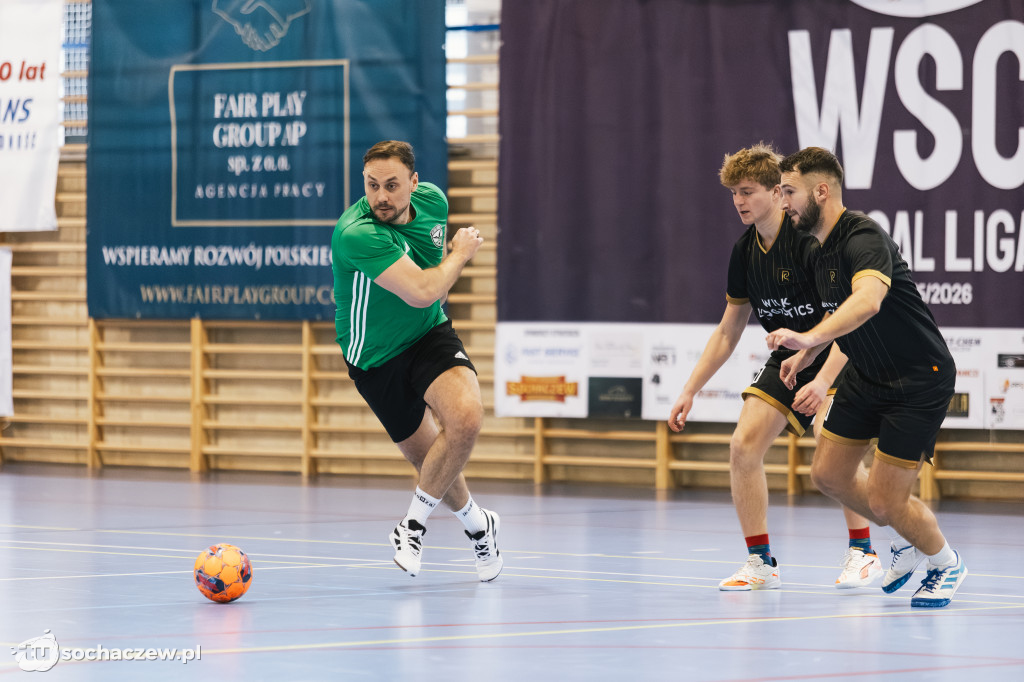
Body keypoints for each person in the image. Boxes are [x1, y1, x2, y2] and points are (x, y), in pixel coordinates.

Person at [668, 143, 881, 592]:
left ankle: (865, 552)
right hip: (790, 359)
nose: (739, 201)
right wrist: (690, 389)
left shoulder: (808, 240)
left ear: (776, 192)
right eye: (732, 193)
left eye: (747, 190)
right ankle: (760, 561)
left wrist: (823, 381)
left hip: (839, 352)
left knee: (831, 445)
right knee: (743, 446)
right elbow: (728, 331)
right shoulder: (744, 251)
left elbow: (850, 318)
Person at [768, 146, 966, 607]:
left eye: (790, 192)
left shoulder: (864, 236)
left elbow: (868, 302)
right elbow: (841, 316)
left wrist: (805, 336)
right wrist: (809, 353)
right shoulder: (818, 253)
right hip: (867, 375)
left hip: (918, 379)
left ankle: (944, 560)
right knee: (828, 474)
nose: (784, 203)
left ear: (822, 190)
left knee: (883, 500)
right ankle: (906, 533)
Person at [330, 140, 502, 581]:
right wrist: (461, 253)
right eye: (371, 186)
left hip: (428, 334)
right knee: (434, 462)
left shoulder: (433, 203)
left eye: (391, 185)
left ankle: (411, 527)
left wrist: (446, 265)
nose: (381, 197)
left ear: (413, 184)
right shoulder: (357, 233)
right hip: (375, 360)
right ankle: (480, 527)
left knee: (465, 420)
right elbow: (425, 287)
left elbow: (435, 293)